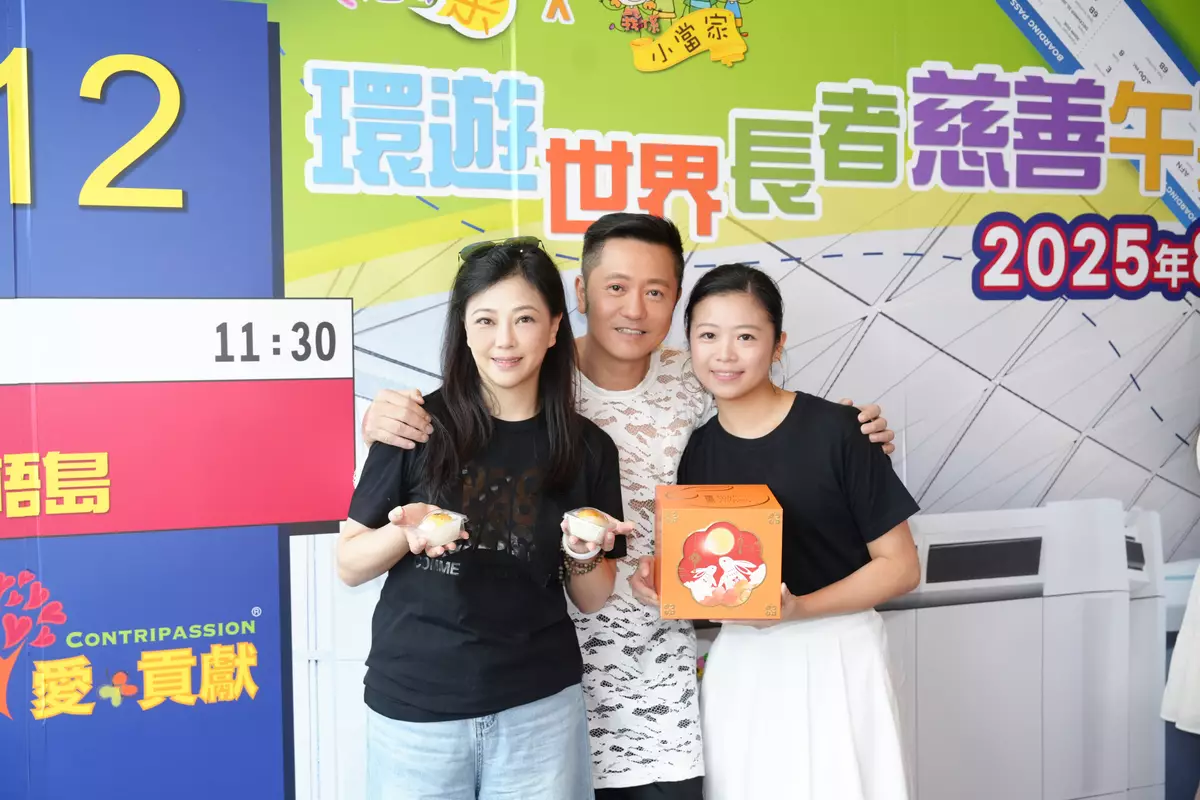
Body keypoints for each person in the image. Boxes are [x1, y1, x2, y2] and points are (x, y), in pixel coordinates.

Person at [359, 213, 897, 799]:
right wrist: (379, 419)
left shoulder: (701, 377)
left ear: (676, 301)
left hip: (656, 689)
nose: (635, 309)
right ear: (580, 294)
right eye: (616, 287)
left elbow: (776, 419)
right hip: (533, 685)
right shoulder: (524, 370)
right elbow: (443, 432)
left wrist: (855, 428)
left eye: (656, 292)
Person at [338, 239, 632, 800]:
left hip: (540, 712)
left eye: (524, 319)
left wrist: (582, 550)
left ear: (554, 328)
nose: (504, 340)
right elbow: (349, 563)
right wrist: (404, 534)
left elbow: (593, 597)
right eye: (486, 320)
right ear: (464, 329)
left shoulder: (589, 448)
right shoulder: (414, 426)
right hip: (417, 712)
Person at [676, 263, 920, 800]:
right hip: (744, 662)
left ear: (778, 344)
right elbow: (708, 580)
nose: (725, 354)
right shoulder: (697, 452)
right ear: (689, 342)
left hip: (839, 653)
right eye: (708, 336)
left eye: (746, 337)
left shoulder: (841, 431)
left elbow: (902, 568)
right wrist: (666, 586)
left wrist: (799, 608)